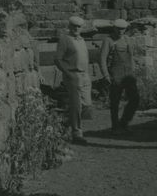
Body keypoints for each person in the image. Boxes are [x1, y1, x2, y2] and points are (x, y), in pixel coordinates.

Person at [55, 15, 91, 145]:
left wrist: (87, 75)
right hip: (72, 75)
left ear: (81, 28)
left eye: (79, 27)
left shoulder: (81, 40)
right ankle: (77, 133)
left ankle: (63, 124)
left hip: (84, 75)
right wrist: (68, 73)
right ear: (69, 26)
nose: (76, 28)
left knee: (87, 104)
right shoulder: (65, 39)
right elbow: (58, 59)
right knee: (76, 105)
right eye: (74, 26)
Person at [99, 18, 140, 131]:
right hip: (115, 73)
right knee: (115, 102)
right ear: (114, 28)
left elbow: (131, 57)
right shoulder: (108, 40)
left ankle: (124, 122)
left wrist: (133, 72)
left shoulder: (127, 40)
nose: (120, 31)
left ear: (126, 29)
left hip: (128, 74)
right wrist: (106, 75)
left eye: (123, 29)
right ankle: (115, 127)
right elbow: (102, 59)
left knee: (135, 99)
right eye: (118, 29)